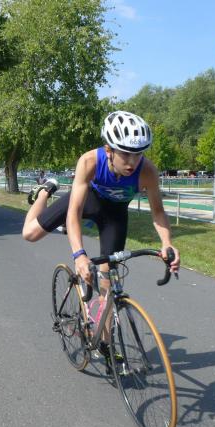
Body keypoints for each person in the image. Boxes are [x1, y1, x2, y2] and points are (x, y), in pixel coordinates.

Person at [21, 111, 180, 360]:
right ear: (109, 150)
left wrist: (167, 243)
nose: (132, 161)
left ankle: (105, 344)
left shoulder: (147, 171)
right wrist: (79, 255)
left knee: (108, 283)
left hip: (115, 215)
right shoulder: (90, 161)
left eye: (138, 154)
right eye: (125, 153)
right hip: (87, 201)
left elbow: (158, 212)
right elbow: (74, 212)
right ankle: (43, 192)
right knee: (30, 234)